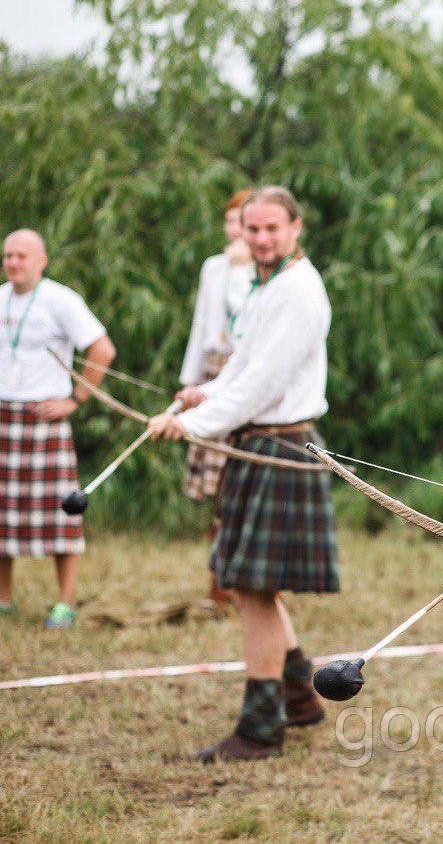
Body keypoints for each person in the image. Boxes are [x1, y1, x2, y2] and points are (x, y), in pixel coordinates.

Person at [149, 186, 337, 761]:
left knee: (252, 587)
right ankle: (301, 699)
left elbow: (262, 386)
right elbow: (244, 368)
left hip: (281, 445)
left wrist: (198, 424)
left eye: (272, 229)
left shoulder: (298, 291)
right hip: (260, 442)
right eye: (251, 229)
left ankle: (260, 728)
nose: (260, 239)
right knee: (253, 582)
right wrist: (201, 395)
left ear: (295, 227)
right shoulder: (269, 285)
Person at [0, 229, 117, 629]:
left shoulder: (61, 300)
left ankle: (64, 603)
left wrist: (76, 399)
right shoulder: (0, 297)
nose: (13, 262)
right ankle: (3, 599)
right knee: (2, 513)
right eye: (8, 255)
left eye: (22, 256)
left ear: (41, 260)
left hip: (45, 417)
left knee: (62, 513)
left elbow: (102, 349)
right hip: (3, 416)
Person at [179, 188, 255, 604]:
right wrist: (190, 381)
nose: (233, 231)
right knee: (217, 488)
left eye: (240, 223)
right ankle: (218, 583)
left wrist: (243, 272)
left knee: (238, 481)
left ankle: (239, 582)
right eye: (229, 222)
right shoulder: (213, 266)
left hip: (243, 373)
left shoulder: (257, 271)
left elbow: (246, 321)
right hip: (211, 370)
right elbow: (201, 324)